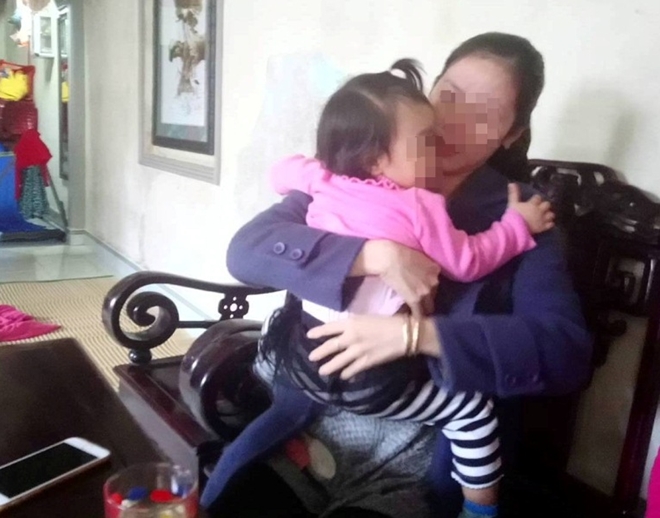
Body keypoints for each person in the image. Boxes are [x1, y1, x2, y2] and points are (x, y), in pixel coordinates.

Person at [202, 33, 593, 518]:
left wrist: (418, 336)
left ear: (511, 134)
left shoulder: (521, 214)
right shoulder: (357, 171)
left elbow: (564, 350)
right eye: (450, 94)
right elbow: (247, 252)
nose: (454, 119)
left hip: (418, 453)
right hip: (307, 422)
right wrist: (372, 255)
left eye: (485, 110)